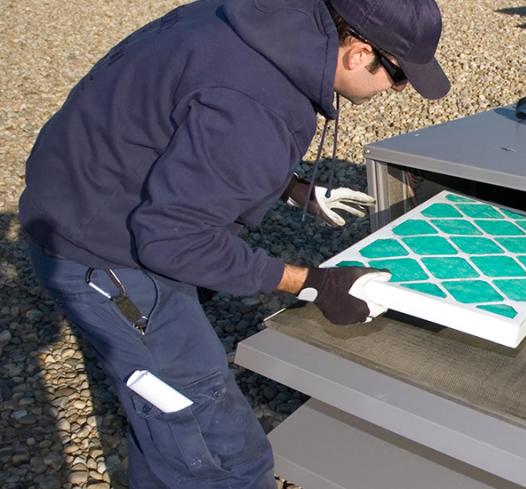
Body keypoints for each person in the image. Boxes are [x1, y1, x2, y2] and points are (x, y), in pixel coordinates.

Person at [18, 0, 449, 486]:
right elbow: (174, 241)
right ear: (358, 52)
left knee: (165, 424)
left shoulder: (248, 20)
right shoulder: (256, 106)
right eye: (398, 76)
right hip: (104, 256)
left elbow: (186, 123)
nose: (399, 88)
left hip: (78, 198)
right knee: (220, 453)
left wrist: (288, 185)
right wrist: (315, 284)